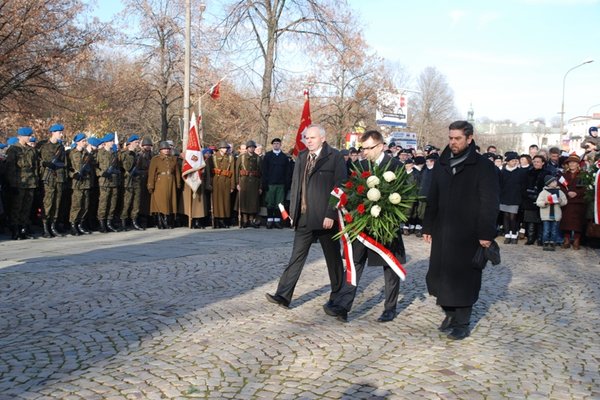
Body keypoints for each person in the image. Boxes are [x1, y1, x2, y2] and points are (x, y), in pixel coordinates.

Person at [422, 121, 499, 340]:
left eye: (457, 138)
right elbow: (432, 196)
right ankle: (450, 313)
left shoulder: (483, 166)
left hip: (469, 232)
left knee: (464, 279)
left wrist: (486, 233)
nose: (453, 142)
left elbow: (490, 202)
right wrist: (428, 225)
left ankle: (462, 322)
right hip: (443, 229)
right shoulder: (442, 163)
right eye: (450, 138)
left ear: (469, 138)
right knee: (438, 277)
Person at [323, 129, 406, 322]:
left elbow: (405, 197)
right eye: (363, 148)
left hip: (386, 224)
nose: (365, 152)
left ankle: (390, 308)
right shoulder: (359, 165)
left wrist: (390, 216)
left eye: (368, 148)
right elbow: (350, 190)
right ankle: (343, 306)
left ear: (381, 146)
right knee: (355, 262)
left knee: (390, 265)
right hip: (362, 224)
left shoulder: (395, 166)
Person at [265, 124, 347, 310]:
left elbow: (340, 186)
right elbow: (296, 186)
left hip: (325, 218)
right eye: (306, 138)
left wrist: (331, 213)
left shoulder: (335, 157)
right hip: (303, 217)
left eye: (312, 137)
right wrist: (293, 212)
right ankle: (283, 295)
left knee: (333, 259)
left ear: (322, 138)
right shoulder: (302, 156)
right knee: (296, 257)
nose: (308, 141)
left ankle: (338, 296)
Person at [5, 127, 39, 240]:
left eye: (30, 136)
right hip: (19, 182)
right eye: (27, 136)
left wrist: (36, 180)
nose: (29, 138)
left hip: (30, 182)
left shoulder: (31, 150)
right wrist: (12, 184)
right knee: (16, 207)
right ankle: (15, 230)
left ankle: (23, 229)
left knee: (26, 207)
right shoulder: (13, 149)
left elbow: (35, 167)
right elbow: (10, 168)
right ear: (20, 136)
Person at [39, 124, 67, 237]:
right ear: (53, 132)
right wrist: (46, 164)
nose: (61, 134)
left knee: (57, 202)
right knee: (48, 202)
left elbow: (64, 163)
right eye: (59, 132)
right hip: (49, 177)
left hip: (59, 177)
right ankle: (45, 227)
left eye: (61, 132)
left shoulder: (61, 147)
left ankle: (53, 225)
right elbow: (42, 161)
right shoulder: (44, 146)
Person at [148, 141, 181, 229]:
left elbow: (177, 172)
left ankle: (168, 220)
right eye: (164, 149)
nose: (166, 150)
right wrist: (150, 185)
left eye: (167, 149)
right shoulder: (156, 159)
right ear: (160, 150)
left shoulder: (173, 159)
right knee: (160, 202)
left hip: (171, 182)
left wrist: (178, 183)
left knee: (170, 202)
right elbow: (151, 173)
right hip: (160, 182)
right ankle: (160, 221)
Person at [261, 138, 291, 229]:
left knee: (280, 204)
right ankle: (269, 220)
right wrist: (264, 183)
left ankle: (277, 221)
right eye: (274, 143)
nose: (276, 145)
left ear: (280, 145)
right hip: (270, 183)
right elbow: (264, 171)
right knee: (270, 203)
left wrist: (286, 184)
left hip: (281, 184)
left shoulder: (284, 157)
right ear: (272, 145)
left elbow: (287, 172)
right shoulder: (268, 156)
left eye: (278, 143)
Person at [559, 154, 586, 249]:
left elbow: (586, 188)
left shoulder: (583, 175)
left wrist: (577, 193)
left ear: (578, 164)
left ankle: (576, 240)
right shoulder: (563, 175)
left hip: (579, 202)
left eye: (574, 162)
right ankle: (566, 239)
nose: (572, 164)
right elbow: (560, 187)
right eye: (570, 162)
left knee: (577, 221)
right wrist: (567, 192)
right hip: (567, 201)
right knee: (566, 221)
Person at [96, 133, 121, 233]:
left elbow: (118, 167)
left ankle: (109, 222)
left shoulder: (114, 153)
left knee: (112, 203)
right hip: (104, 182)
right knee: (103, 203)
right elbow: (95, 167)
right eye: (111, 141)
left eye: (112, 141)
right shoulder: (100, 153)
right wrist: (102, 173)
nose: (112, 143)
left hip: (114, 181)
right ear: (106, 142)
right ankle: (102, 223)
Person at [68, 133, 93, 235]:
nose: (85, 143)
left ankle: (80, 224)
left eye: (85, 141)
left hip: (86, 182)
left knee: (85, 205)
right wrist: (73, 174)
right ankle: (73, 224)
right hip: (77, 183)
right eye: (83, 141)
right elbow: (68, 167)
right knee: (76, 205)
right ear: (77, 142)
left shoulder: (86, 153)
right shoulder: (71, 153)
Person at [499, 151, 526, 244]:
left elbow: (523, 186)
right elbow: (500, 184)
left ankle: (514, 235)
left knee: (513, 217)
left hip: (515, 197)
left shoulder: (520, 172)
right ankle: (507, 235)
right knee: (505, 216)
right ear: (508, 161)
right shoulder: (502, 172)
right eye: (512, 161)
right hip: (504, 197)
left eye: (516, 161)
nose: (514, 162)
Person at [536, 175, 568, 251]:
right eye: (553, 182)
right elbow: (538, 202)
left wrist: (560, 201)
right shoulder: (543, 192)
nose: (555, 183)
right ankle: (546, 242)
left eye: (555, 181)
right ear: (548, 184)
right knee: (546, 230)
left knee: (554, 230)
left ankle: (553, 242)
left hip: (556, 214)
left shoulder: (559, 192)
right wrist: (545, 202)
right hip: (546, 214)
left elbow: (565, 201)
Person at [119, 135, 144, 230]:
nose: (138, 144)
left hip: (136, 180)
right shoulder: (125, 154)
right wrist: (131, 154)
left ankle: (134, 220)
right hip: (127, 181)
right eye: (136, 142)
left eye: (138, 142)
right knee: (127, 202)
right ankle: (123, 221)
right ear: (130, 143)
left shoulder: (137, 154)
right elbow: (127, 167)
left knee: (136, 202)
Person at [236, 140, 262, 228]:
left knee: (252, 202)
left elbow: (261, 173)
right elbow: (236, 171)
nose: (252, 148)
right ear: (247, 148)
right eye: (250, 147)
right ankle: (245, 220)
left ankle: (251, 220)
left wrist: (260, 186)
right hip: (244, 182)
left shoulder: (258, 158)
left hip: (254, 183)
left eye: (253, 147)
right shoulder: (241, 157)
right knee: (244, 202)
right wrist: (237, 183)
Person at [211, 141, 236, 228]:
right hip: (216, 182)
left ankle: (224, 220)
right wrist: (209, 184)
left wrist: (232, 185)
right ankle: (218, 220)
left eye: (226, 148)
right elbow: (209, 172)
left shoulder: (230, 158)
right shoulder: (213, 157)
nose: (225, 150)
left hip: (226, 181)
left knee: (226, 202)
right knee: (217, 202)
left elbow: (233, 172)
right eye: (224, 148)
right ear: (220, 148)